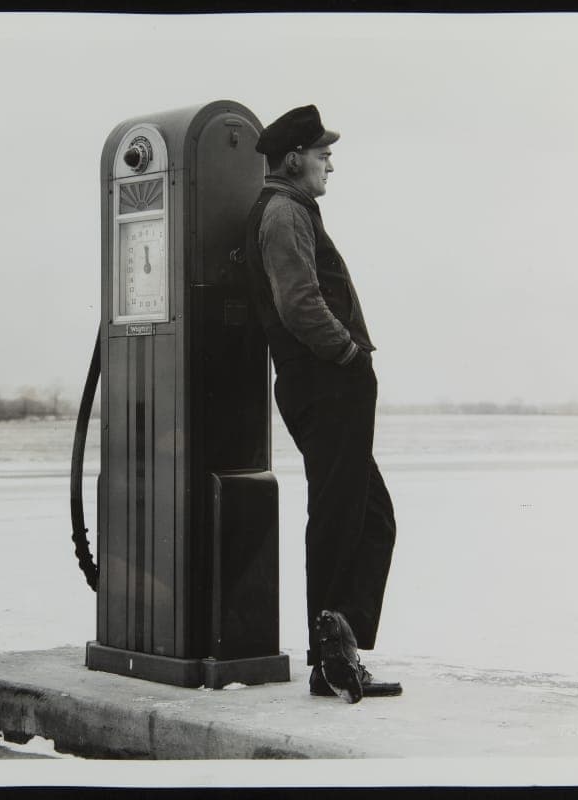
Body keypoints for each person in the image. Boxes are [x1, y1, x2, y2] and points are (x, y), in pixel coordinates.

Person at [244, 104, 401, 700]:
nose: (329, 165)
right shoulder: (284, 212)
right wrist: (349, 355)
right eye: (322, 154)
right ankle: (330, 657)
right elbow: (300, 303)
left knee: (371, 518)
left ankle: (336, 652)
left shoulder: (289, 211)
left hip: (328, 385)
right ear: (294, 159)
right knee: (340, 520)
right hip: (328, 384)